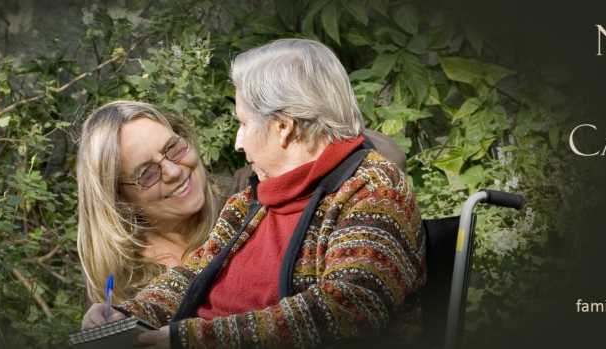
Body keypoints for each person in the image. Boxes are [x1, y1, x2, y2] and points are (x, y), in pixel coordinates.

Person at [82, 39, 426, 349]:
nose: (238, 142)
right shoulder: (251, 201)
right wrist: (126, 315)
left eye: (243, 123)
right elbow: (193, 275)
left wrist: (190, 339)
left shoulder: (372, 190)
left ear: (283, 126)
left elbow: (352, 305)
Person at [75, 101, 225, 305]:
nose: (174, 172)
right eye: (147, 173)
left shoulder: (247, 201)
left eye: (173, 148)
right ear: (122, 200)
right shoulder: (121, 282)